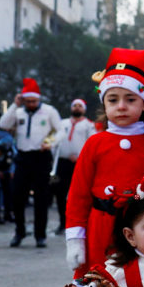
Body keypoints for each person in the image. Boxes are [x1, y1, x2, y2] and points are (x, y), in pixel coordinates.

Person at [65, 48, 144, 276]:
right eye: (113, 99)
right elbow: (78, 195)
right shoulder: (95, 143)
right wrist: (75, 238)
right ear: (105, 104)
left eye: (130, 99)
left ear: (143, 104)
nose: (121, 106)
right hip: (100, 229)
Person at [0, 78, 61, 248]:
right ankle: (19, 231)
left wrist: (50, 142)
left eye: (34, 101)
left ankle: (40, 235)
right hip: (23, 158)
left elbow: (60, 129)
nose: (31, 104)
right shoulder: (18, 112)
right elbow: (3, 124)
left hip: (41, 157)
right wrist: (14, 105)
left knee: (41, 198)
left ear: (39, 99)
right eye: (28, 101)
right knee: (17, 197)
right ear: (23, 100)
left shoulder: (49, 111)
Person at [51, 98, 95, 235]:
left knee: (79, 193)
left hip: (79, 163)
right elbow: (53, 140)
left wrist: (80, 157)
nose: (77, 108)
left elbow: (92, 145)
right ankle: (62, 222)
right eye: (75, 106)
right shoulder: (62, 123)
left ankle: (80, 223)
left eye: (79, 106)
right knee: (60, 193)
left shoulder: (89, 125)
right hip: (62, 163)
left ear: (84, 109)